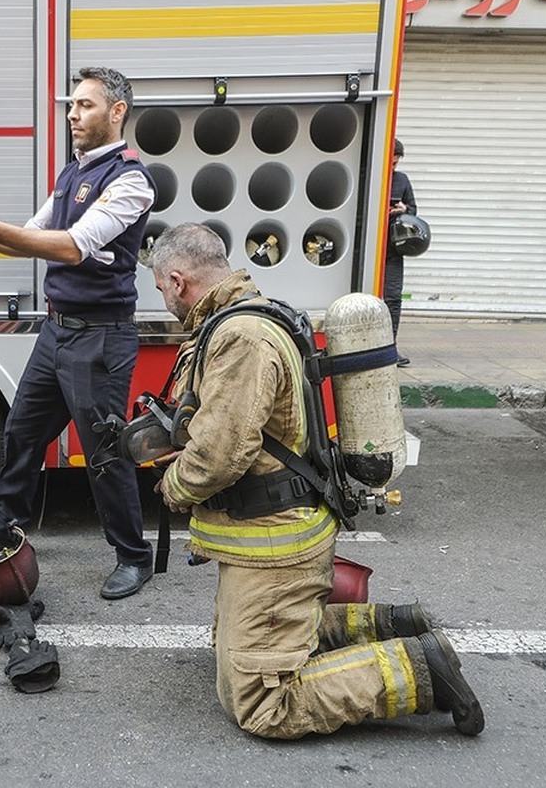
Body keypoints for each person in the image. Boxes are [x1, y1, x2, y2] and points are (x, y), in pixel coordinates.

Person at [148, 222, 484, 739]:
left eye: (159, 288)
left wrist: (172, 488)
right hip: (278, 535)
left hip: (276, 544)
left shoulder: (240, 337)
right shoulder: (250, 316)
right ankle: (394, 624)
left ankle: (421, 668)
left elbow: (221, 453)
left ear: (177, 280)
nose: (162, 298)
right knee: (232, 643)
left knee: (262, 701)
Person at [0, 66, 157, 600]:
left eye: (85, 105)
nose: (72, 114)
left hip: (101, 338)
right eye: (72, 105)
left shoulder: (131, 179)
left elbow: (74, 245)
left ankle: (134, 556)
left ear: (117, 111)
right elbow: (34, 237)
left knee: (104, 451)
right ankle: (6, 523)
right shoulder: (71, 175)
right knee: (22, 433)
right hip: (56, 332)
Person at [386, 138, 416, 366]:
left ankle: (390, 349)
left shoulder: (402, 181)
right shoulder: (369, 175)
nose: (393, 168)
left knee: (393, 300)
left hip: (393, 250)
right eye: (391, 163)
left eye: (396, 164)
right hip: (367, 251)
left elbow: (414, 211)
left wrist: (403, 209)